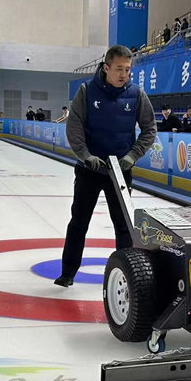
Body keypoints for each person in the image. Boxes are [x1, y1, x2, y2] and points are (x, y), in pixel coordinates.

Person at [55, 44, 158, 288]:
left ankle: (127, 276)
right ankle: (68, 272)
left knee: (123, 226)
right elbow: (74, 127)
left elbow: (149, 129)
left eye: (128, 69)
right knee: (79, 222)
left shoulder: (136, 95)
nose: (124, 74)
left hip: (120, 172)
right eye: (119, 69)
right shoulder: (86, 92)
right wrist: (85, 155)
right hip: (89, 170)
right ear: (106, 68)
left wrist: (133, 156)